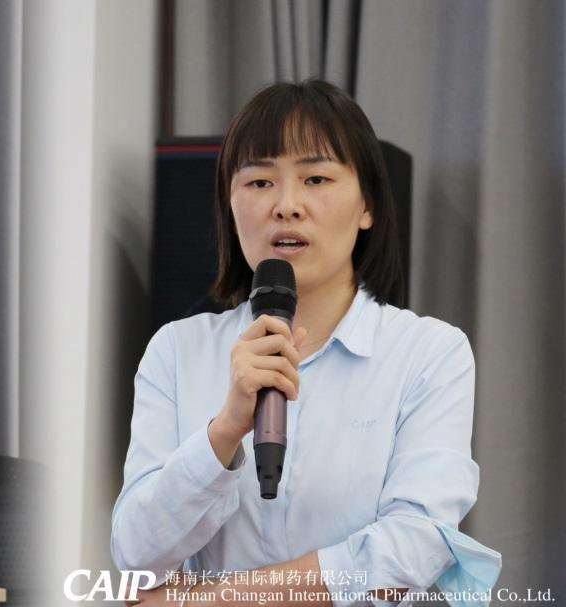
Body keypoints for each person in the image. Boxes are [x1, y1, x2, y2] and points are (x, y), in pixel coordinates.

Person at [111, 80, 500, 607]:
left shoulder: (429, 353)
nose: (286, 205)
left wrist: (208, 600)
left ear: (367, 205)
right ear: (230, 206)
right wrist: (224, 431)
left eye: (316, 178)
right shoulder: (177, 351)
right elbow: (135, 555)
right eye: (259, 182)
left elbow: (414, 549)